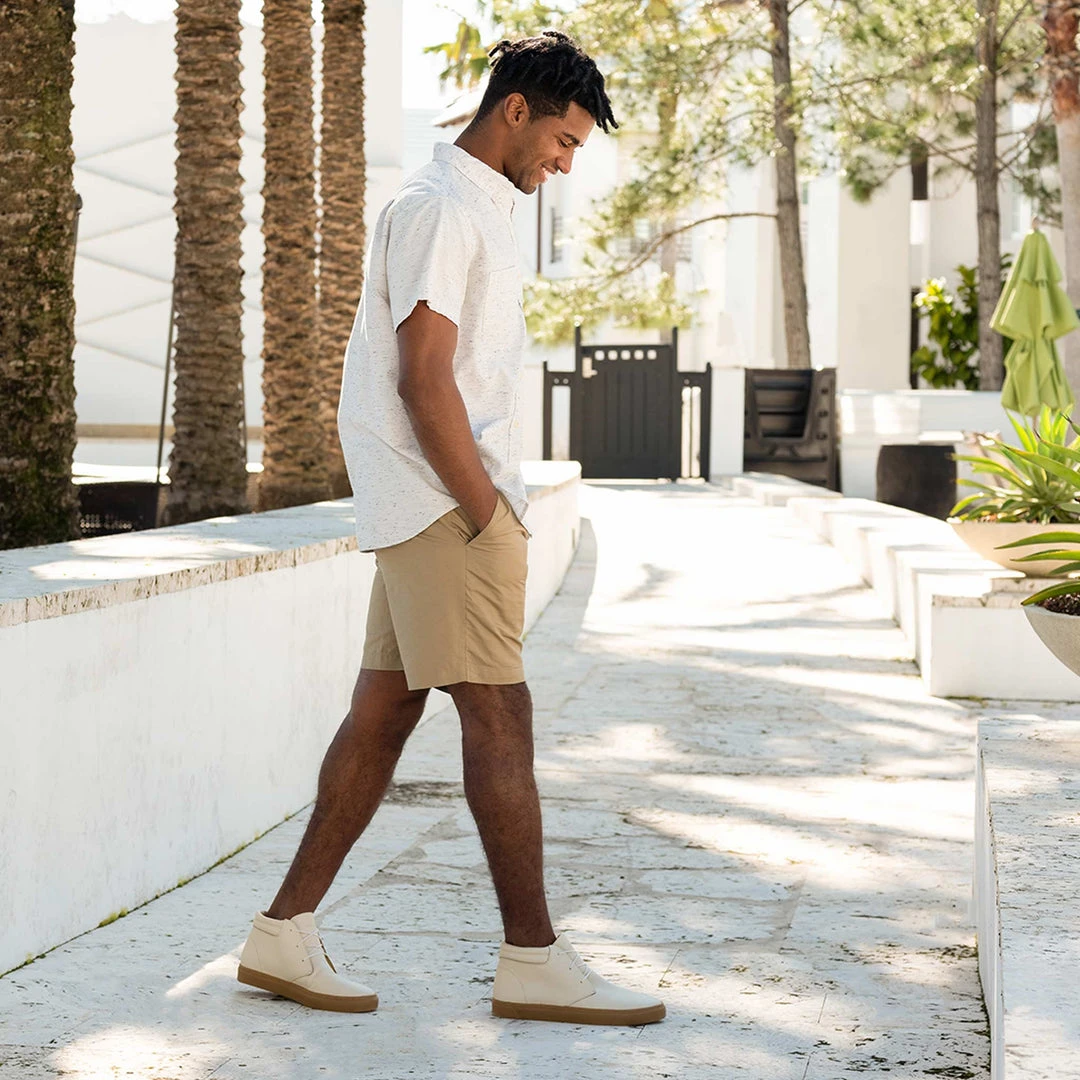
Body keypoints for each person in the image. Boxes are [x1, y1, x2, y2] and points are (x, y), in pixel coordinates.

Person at [236, 30, 665, 1027]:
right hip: (442, 506)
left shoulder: (473, 208)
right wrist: (485, 511)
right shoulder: (441, 210)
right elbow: (423, 379)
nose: (565, 165)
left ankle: (282, 933)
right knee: (500, 717)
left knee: (384, 715)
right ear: (515, 110)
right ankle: (533, 959)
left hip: (429, 503)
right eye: (563, 141)